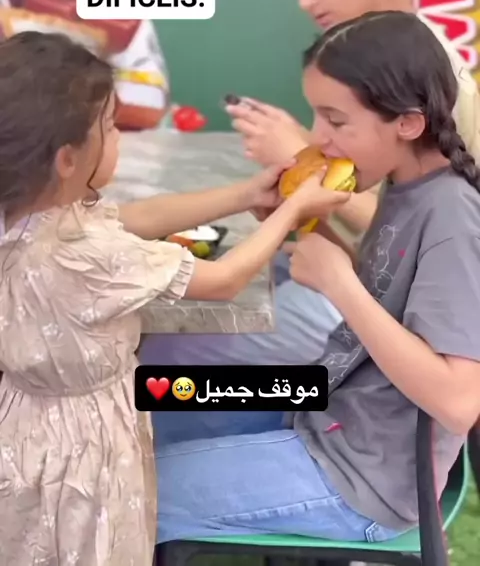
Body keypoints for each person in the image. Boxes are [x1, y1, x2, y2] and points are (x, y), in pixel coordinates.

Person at [0, 31, 348, 566]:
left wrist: (246, 194)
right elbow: (225, 280)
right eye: (110, 127)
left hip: (24, 428)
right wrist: (291, 210)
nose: (118, 137)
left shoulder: (32, 218)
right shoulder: (85, 255)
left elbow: (139, 216)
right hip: (87, 444)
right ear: (67, 159)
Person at [141, 0, 480, 404]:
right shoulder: (358, 53)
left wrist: (295, 157)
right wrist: (299, 192)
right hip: (362, 293)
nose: (305, 0)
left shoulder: (424, 74)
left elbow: (427, 241)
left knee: (169, 358)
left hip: (394, 331)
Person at [156, 11, 480, 544]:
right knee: (146, 410)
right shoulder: (403, 184)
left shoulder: (452, 218)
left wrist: (338, 284)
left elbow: (458, 402)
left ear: (407, 123)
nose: (318, 138)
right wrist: (310, 230)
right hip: (320, 411)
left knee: (123, 484)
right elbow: (388, 298)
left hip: (361, 480)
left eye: (336, 120)